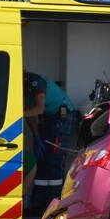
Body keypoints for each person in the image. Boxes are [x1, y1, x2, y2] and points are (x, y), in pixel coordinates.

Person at [23, 71, 76, 210]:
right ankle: (40, 204)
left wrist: (16, 114)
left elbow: (39, 109)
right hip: (50, 119)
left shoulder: (34, 81)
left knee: (54, 159)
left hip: (63, 117)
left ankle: (55, 204)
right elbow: (29, 116)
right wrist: (36, 136)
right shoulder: (20, 88)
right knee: (43, 161)